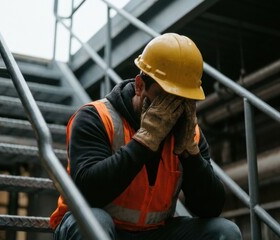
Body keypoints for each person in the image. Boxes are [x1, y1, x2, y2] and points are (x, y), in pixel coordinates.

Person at [50, 33, 242, 240]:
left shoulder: (190, 132)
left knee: (225, 232)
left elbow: (210, 208)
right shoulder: (96, 117)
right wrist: (145, 140)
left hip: (155, 232)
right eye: (164, 96)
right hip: (103, 227)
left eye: (182, 100)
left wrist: (191, 155)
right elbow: (87, 194)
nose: (172, 109)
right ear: (140, 86)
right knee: (94, 221)